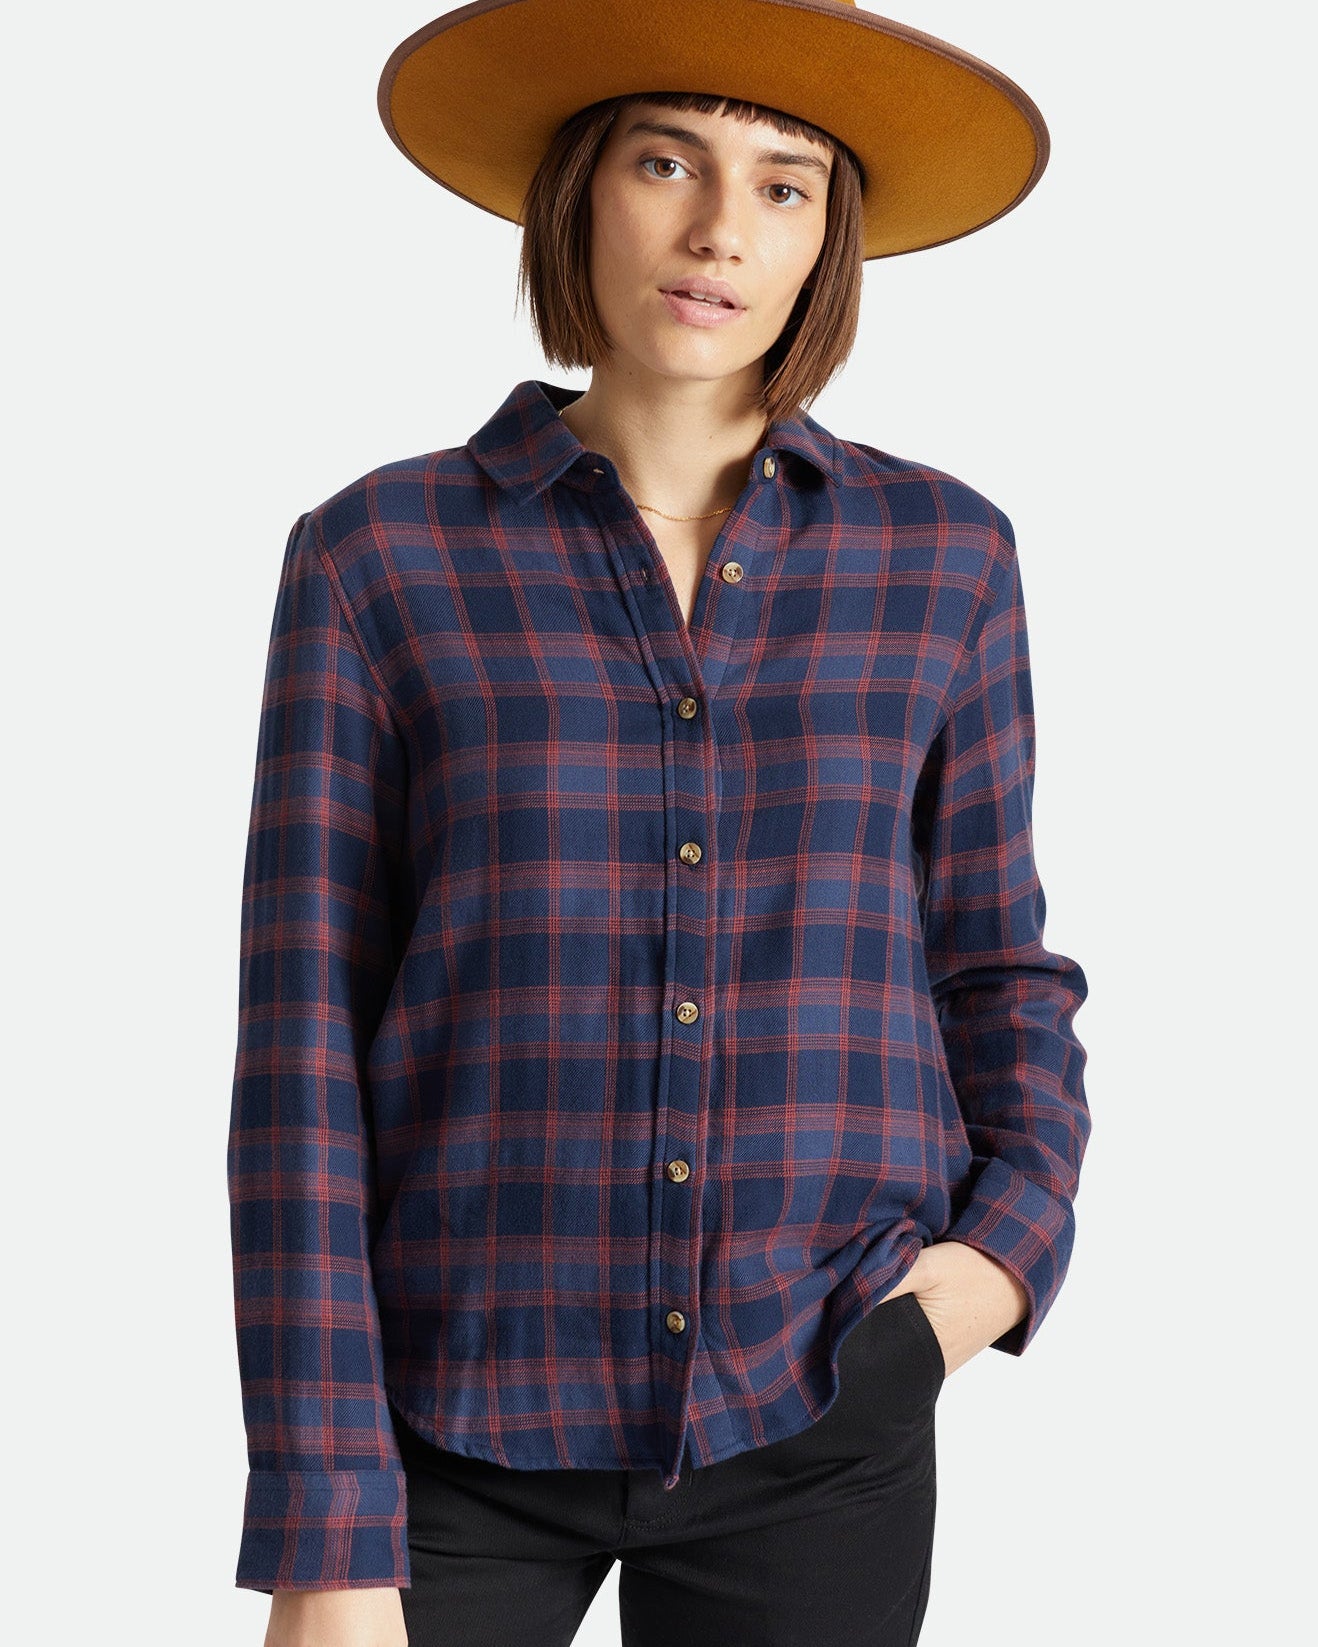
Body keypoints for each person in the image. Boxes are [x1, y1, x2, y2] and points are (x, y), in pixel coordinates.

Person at [226, 3, 1091, 1644]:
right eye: (666, 163)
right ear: (581, 190)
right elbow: (302, 1050)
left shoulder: (943, 557)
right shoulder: (375, 556)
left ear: (828, 239)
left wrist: (996, 1264)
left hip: (819, 1396)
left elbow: (993, 964)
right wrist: (325, 1522)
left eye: (783, 185)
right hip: (451, 1423)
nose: (718, 232)